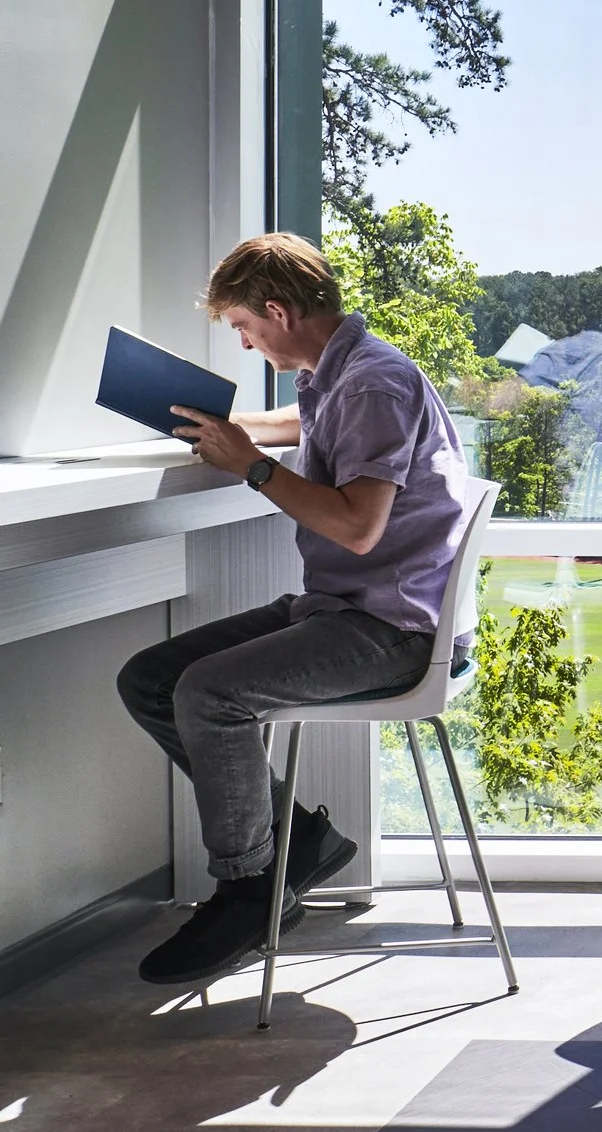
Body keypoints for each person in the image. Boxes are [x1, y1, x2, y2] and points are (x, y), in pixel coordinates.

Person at [116, 233, 472, 989]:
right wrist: (223, 430)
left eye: (244, 326)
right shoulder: (337, 376)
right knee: (151, 678)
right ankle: (297, 839)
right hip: (343, 606)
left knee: (209, 694)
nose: (243, 340)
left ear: (277, 310)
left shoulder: (374, 384)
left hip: (394, 629)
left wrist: (248, 465)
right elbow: (301, 425)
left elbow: (356, 525)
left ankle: (252, 888)